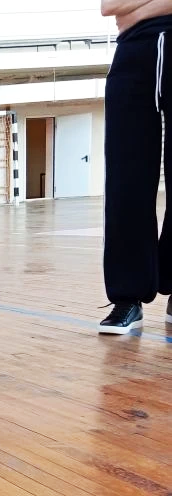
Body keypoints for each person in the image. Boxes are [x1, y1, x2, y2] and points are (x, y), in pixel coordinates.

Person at [97, 1, 172, 333]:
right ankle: (127, 297)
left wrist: (138, 10)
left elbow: (126, 10)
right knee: (126, 179)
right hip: (133, 50)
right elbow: (109, 6)